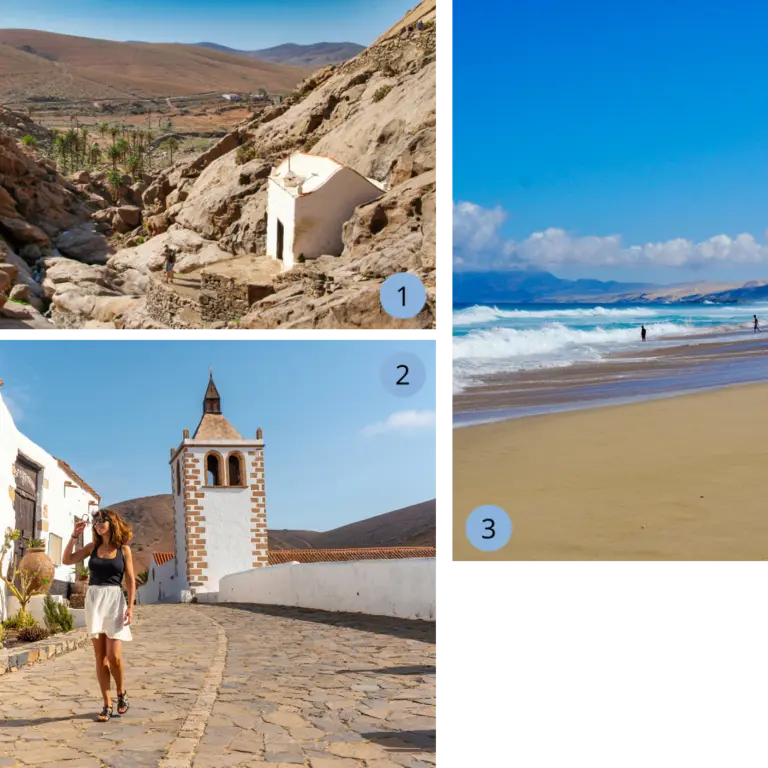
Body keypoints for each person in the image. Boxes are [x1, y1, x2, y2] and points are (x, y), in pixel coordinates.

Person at [63, 508, 135, 722]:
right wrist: (74, 535)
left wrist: (130, 607)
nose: (99, 523)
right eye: (96, 521)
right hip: (94, 601)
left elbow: (130, 580)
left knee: (114, 655)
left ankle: (121, 693)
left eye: (103, 520)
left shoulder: (124, 550)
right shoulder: (92, 547)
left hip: (114, 601)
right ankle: (106, 703)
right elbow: (67, 560)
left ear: (112, 523)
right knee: (100, 657)